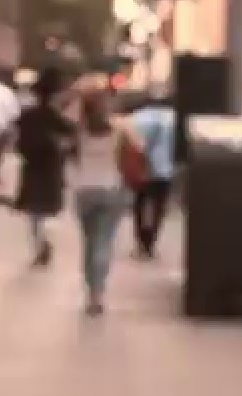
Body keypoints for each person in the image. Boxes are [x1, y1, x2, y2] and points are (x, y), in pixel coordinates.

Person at [71, 86, 141, 315]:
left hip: (84, 190)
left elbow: (71, 156)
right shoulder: (120, 130)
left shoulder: (78, 130)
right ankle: (98, 294)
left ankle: (90, 290)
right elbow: (137, 152)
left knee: (89, 243)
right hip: (111, 190)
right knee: (103, 242)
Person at [14, 67, 76, 267]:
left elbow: (18, 144)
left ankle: (39, 245)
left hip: (32, 168)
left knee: (34, 212)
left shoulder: (27, 115)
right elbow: (71, 136)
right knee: (50, 210)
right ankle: (46, 239)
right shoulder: (57, 117)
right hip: (51, 168)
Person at [129, 94, 176, 259]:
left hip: (141, 169)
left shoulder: (136, 118)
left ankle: (141, 242)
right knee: (158, 207)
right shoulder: (173, 118)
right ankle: (151, 243)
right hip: (164, 170)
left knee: (139, 205)